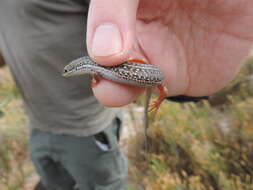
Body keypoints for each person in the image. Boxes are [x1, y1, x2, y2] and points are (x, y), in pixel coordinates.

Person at [0, 0, 253, 190]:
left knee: (103, 182)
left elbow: (133, 25)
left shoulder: (96, 68)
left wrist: (180, 91)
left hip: (86, 126)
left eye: (71, 69)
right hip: (39, 119)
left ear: (79, 68)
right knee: (55, 181)